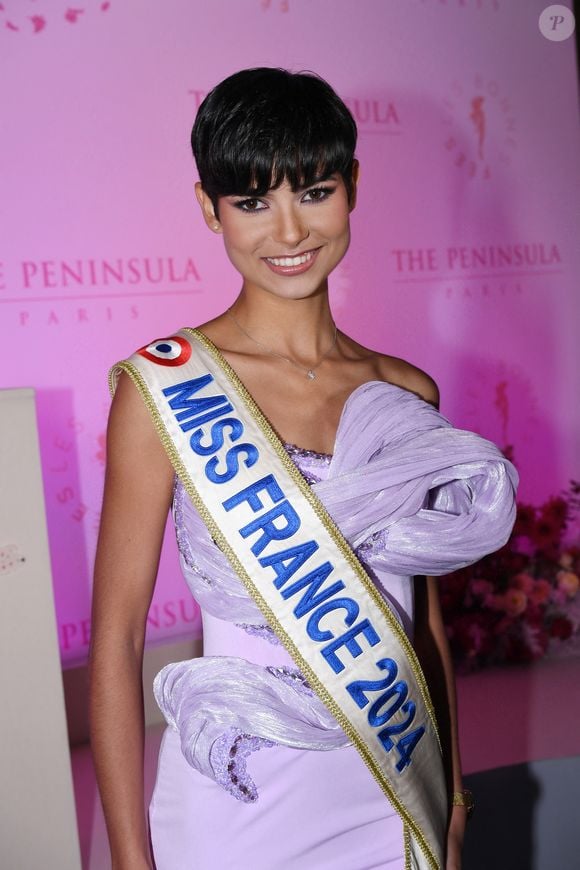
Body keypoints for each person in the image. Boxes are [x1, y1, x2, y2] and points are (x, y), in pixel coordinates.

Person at [89, 68, 517, 870]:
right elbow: (115, 640)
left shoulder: (403, 390)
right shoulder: (166, 387)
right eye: (252, 202)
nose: (289, 231)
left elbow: (420, 624)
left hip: (392, 796)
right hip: (237, 802)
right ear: (208, 208)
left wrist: (451, 804)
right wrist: (126, 856)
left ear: (352, 186)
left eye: (314, 191)